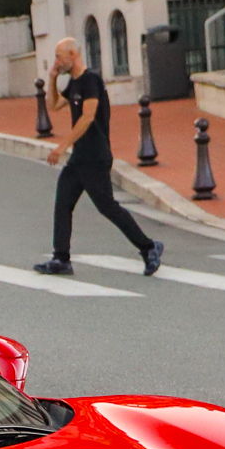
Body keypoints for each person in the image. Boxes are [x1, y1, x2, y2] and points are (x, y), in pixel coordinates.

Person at [35, 36, 163, 278]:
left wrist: (61, 146)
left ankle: (149, 247)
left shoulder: (90, 80)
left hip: (95, 156)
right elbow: (54, 105)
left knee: (108, 207)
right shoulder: (73, 83)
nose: (56, 61)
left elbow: (88, 117)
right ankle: (61, 258)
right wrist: (51, 79)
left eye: (59, 57)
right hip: (79, 159)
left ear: (72, 55)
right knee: (63, 203)